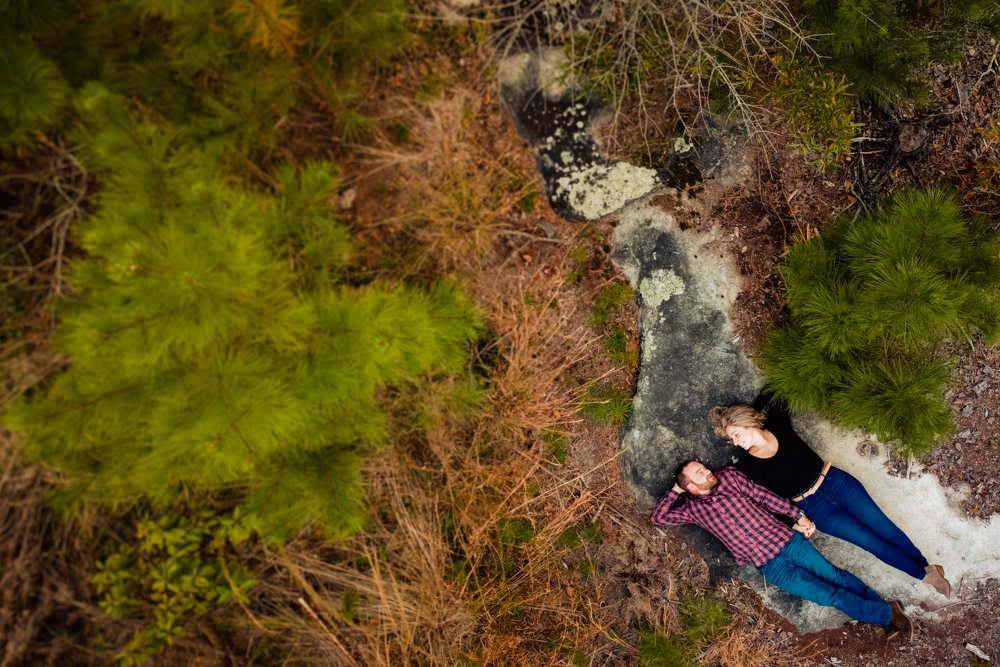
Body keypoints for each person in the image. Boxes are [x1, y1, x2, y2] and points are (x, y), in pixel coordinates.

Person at [709, 397, 951, 598]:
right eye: (732, 439)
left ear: (747, 422)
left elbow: (775, 392)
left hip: (837, 483)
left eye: (736, 434)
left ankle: (926, 565)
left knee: (886, 528)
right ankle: (925, 575)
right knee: (872, 544)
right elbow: (767, 504)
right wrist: (796, 522)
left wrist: (745, 411)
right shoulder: (750, 468)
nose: (736, 443)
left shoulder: (777, 423)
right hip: (815, 508)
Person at [652, 461, 914, 640]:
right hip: (769, 566)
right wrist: (677, 488)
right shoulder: (691, 510)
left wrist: (798, 515)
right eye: (699, 473)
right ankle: (888, 613)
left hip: (789, 543)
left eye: (703, 467)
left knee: (835, 577)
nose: (707, 471)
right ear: (691, 488)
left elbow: (764, 496)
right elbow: (658, 517)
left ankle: (888, 615)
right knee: (826, 596)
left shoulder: (729, 478)